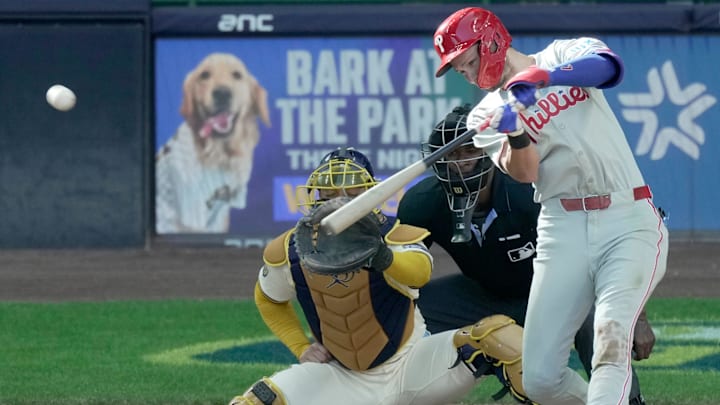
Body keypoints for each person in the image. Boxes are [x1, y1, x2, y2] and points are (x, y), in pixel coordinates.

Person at [432, 7, 669, 405]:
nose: (468, 75)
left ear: (489, 41)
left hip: (626, 217)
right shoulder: (485, 114)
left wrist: (543, 78)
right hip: (562, 229)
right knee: (540, 378)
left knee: (609, 348)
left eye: (467, 62)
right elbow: (524, 172)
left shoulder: (563, 55)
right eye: (459, 70)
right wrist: (516, 130)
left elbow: (610, 68)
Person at [228, 147, 532, 405]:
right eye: (329, 191)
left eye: (350, 190)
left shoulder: (394, 236)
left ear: (370, 193)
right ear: (314, 194)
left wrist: (378, 253)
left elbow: (420, 273)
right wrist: (301, 347)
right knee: (257, 400)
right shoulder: (291, 248)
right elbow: (267, 298)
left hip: (411, 365)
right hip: (340, 373)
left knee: (498, 339)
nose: (338, 200)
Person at [397, 104, 654, 404]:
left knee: (594, 315)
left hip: (554, 293)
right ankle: (394, 394)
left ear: (490, 151)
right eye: (451, 154)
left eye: (468, 151)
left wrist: (637, 318)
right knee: (405, 309)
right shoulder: (421, 203)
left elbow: (602, 246)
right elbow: (398, 274)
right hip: (484, 296)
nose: (460, 163)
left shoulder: (533, 191)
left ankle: (628, 401)